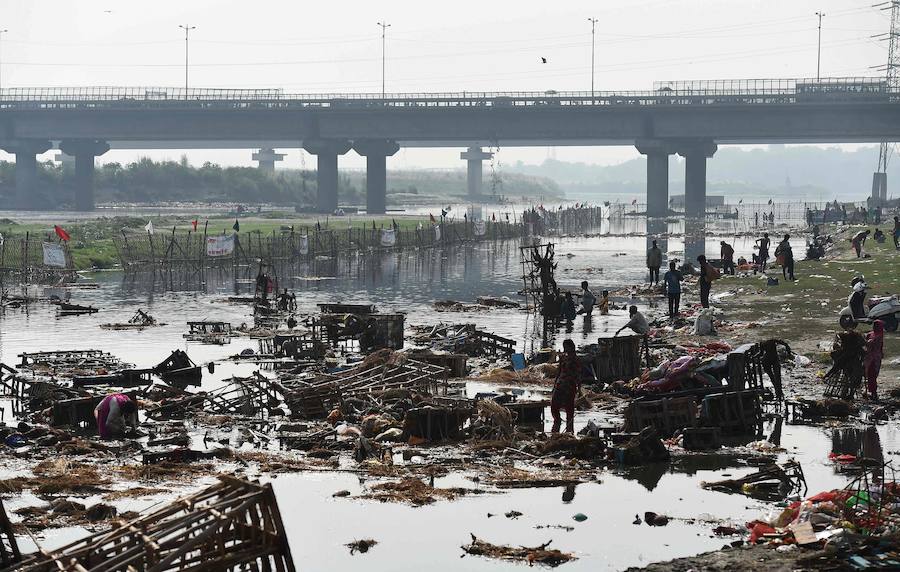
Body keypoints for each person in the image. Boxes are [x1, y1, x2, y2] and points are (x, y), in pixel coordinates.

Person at [551, 339, 582, 434]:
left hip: (570, 386)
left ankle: (569, 429)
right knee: (554, 405)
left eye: (566, 346)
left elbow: (578, 374)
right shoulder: (563, 358)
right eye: (564, 346)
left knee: (569, 409)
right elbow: (559, 371)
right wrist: (554, 384)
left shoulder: (576, 359)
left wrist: (579, 388)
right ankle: (557, 421)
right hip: (560, 384)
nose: (565, 348)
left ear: (571, 347)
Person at [864, 320, 885, 401]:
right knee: (870, 375)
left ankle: (873, 393)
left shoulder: (878, 335)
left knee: (872, 375)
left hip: (874, 358)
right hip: (871, 357)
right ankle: (872, 392)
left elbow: (870, 343)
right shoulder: (873, 334)